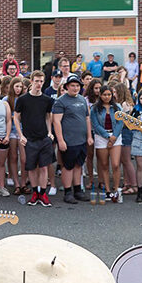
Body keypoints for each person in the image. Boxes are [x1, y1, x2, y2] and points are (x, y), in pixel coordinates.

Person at [14, 71, 56, 207]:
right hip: (29, 138)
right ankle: (34, 193)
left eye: (41, 81)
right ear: (31, 81)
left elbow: (48, 116)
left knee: (44, 167)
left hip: (44, 137)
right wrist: (21, 135)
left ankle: (43, 193)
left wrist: (50, 132)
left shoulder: (47, 100)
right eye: (36, 81)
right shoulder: (22, 100)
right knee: (31, 167)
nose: (39, 84)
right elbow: (16, 117)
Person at [52, 74, 92, 204]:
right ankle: (68, 192)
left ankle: (77, 190)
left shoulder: (81, 99)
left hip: (81, 140)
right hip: (68, 141)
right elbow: (56, 122)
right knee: (68, 166)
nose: (75, 88)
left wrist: (89, 136)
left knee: (78, 165)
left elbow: (87, 118)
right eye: (72, 86)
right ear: (67, 87)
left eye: (77, 86)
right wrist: (61, 140)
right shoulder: (61, 101)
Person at [91, 85, 124, 202]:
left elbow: (121, 123)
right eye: (104, 94)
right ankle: (108, 190)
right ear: (100, 95)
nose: (107, 97)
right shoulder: (95, 108)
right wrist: (107, 137)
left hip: (116, 136)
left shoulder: (117, 107)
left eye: (109, 94)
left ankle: (116, 189)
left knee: (115, 164)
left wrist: (113, 137)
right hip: (101, 137)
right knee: (104, 165)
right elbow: (95, 125)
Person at [6, 78, 28, 195]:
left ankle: (24, 183)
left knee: (24, 159)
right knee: (13, 158)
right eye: (16, 86)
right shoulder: (7, 100)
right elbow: (7, 118)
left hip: (24, 132)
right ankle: (17, 184)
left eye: (20, 87)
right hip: (12, 132)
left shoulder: (25, 99)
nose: (18, 89)